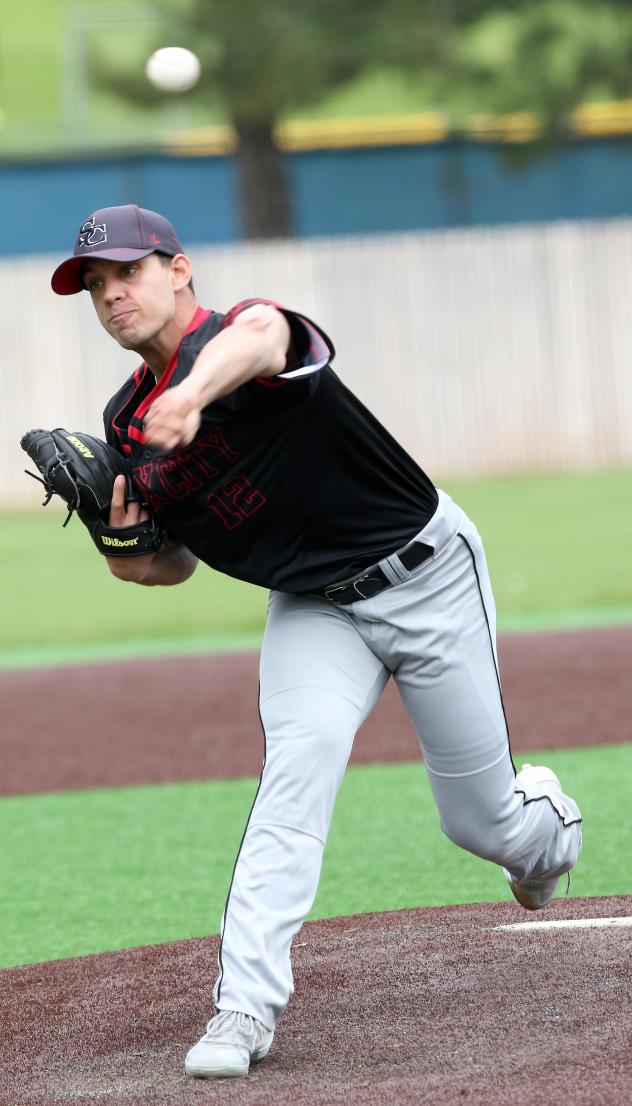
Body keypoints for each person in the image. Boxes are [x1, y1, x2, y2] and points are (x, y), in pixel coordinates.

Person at [51, 204, 582, 1080]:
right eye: (96, 287)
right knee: (293, 778)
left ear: (178, 270)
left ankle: (548, 824)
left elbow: (263, 334)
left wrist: (189, 392)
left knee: (482, 824)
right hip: (314, 607)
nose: (112, 296)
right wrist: (118, 545)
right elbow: (167, 566)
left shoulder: (242, 342)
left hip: (426, 576)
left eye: (128, 273)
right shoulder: (126, 424)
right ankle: (243, 1010)